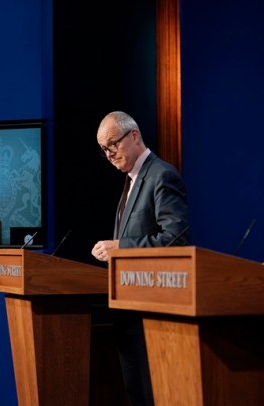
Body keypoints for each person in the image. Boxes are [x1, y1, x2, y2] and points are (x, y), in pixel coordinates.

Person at [91, 111, 191, 406]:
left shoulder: (162, 175)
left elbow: (176, 240)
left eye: (113, 144)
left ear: (134, 135)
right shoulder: (131, 181)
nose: (109, 154)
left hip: (152, 316)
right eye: (104, 149)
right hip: (128, 311)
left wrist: (121, 248)